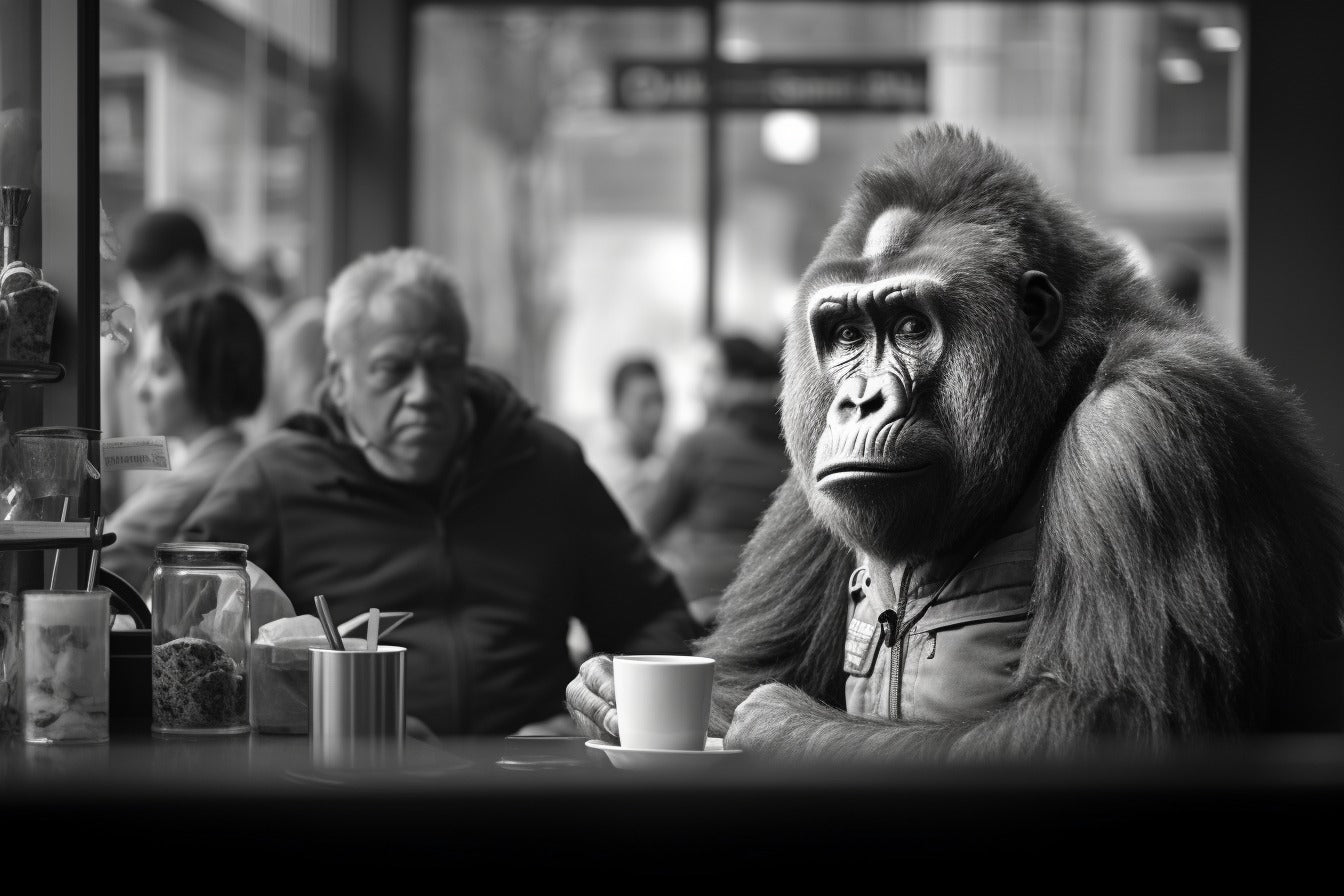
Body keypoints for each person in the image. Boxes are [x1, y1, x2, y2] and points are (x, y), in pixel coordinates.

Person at [179, 246, 702, 738]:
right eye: (393, 369)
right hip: (354, 785)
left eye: (444, 364)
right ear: (339, 380)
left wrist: (600, 712)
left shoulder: (544, 464)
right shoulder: (278, 476)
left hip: (533, 781)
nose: (424, 393)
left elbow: (653, 616)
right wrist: (322, 724)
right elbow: (179, 633)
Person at [100, 287, 266, 595]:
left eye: (160, 371)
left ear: (209, 376)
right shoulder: (228, 460)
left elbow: (97, 557)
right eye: (143, 368)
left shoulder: (205, 477)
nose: (140, 389)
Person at [640, 333, 790, 628]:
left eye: (710, 372)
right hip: (772, 604)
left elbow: (649, 527)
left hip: (699, 604)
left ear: (740, 380)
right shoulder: (794, 448)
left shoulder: (699, 445)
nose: (699, 387)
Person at [584, 355, 668, 530]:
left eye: (660, 401)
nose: (656, 414)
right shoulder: (604, 453)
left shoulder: (650, 454)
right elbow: (639, 530)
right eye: (645, 403)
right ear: (616, 406)